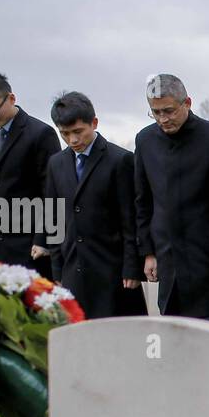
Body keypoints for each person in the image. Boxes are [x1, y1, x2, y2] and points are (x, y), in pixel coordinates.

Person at [134, 74, 209, 320]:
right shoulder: (145, 141)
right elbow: (143, 200)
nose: (162, 119)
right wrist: (148, 252)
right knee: (174, 349)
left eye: (168, 111)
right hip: (168, 263)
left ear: (187, 102)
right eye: (155, 113)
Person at [43, 91, 145, 319]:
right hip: (72, 272)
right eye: (65, 134)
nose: (73, 140)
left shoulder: (120, 160)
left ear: (94, 123)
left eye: (78, 132)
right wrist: (57, 269)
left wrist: (132, 267)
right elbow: (54, 219)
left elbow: (130, 219)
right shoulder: (56, 164)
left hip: (112, 271)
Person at [0, 72, 61, 273]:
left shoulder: (41, 134)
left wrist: (44, 239)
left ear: (11, 98)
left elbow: (52, 192)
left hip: (30, 246)